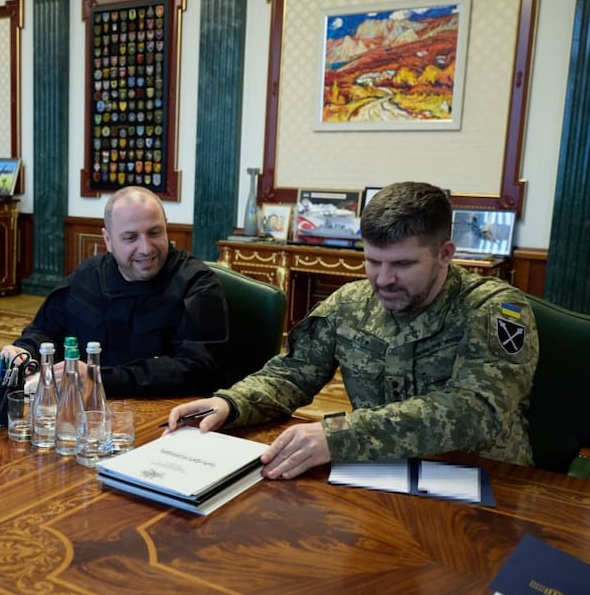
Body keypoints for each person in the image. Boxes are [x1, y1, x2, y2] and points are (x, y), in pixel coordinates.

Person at [166, 181, 538, 479]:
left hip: (483, 482)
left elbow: (477, 409)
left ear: (445, 254)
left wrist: (341, 436)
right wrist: (232, 403)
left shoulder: (494, 309)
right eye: (372, 261)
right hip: (377, 476)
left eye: (402, 264)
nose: (384, 279)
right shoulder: (351, 302)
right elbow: (293, 373)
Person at [4, 186, 229, 397]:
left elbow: (197, 369)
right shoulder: (88, 276)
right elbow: (45, 330)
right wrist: (25, 352)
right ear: (108, 240)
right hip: (83, 408)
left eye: (154, 233)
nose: (146, 248)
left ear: (166, 228)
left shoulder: (197, 284)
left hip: (165, 412)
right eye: (130, 238)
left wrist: (99, 378)